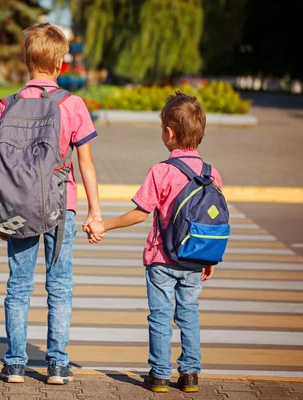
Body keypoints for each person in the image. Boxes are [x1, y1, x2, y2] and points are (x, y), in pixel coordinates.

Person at [85, 91, 221, 393]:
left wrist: (104, 224)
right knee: (189, 314)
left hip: (161, 259)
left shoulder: (162, 171)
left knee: (160, 317)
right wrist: (209, 259)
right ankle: (190, 374)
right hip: (196, 258)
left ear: (169, 133)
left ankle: (159, 375)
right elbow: (212, 222)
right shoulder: (212, 175)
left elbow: (140, 214)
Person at [0, 23, 101, 385]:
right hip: (60, 206)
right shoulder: (73, 104)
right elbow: (85, 162)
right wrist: (94, 211)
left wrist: (2, 214)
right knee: (61, 285)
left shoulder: (7, 104)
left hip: (17, 205)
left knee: (18, 285)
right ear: (60, 65)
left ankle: (15, 364)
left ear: (26, 61)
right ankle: (56, 364)